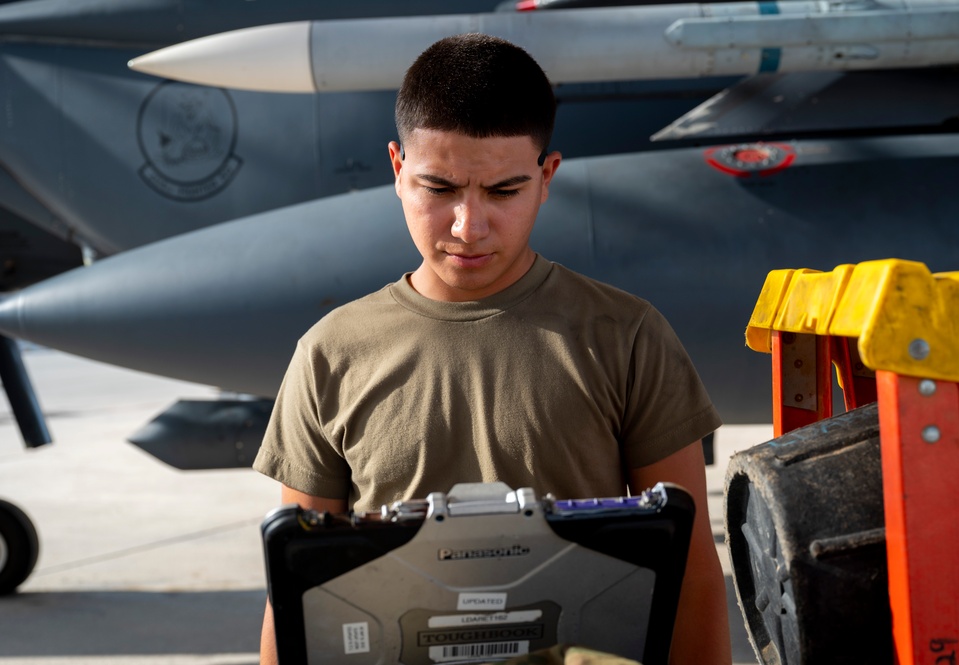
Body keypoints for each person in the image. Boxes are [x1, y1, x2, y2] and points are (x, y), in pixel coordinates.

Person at [253, 33, 731, 665]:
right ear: (398, 171)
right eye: (440, 187)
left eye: (504, 191)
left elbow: (691, 573)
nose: (468, 227)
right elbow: (298, 589)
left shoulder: (626, 337)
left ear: (546, 177)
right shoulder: (330, 354)